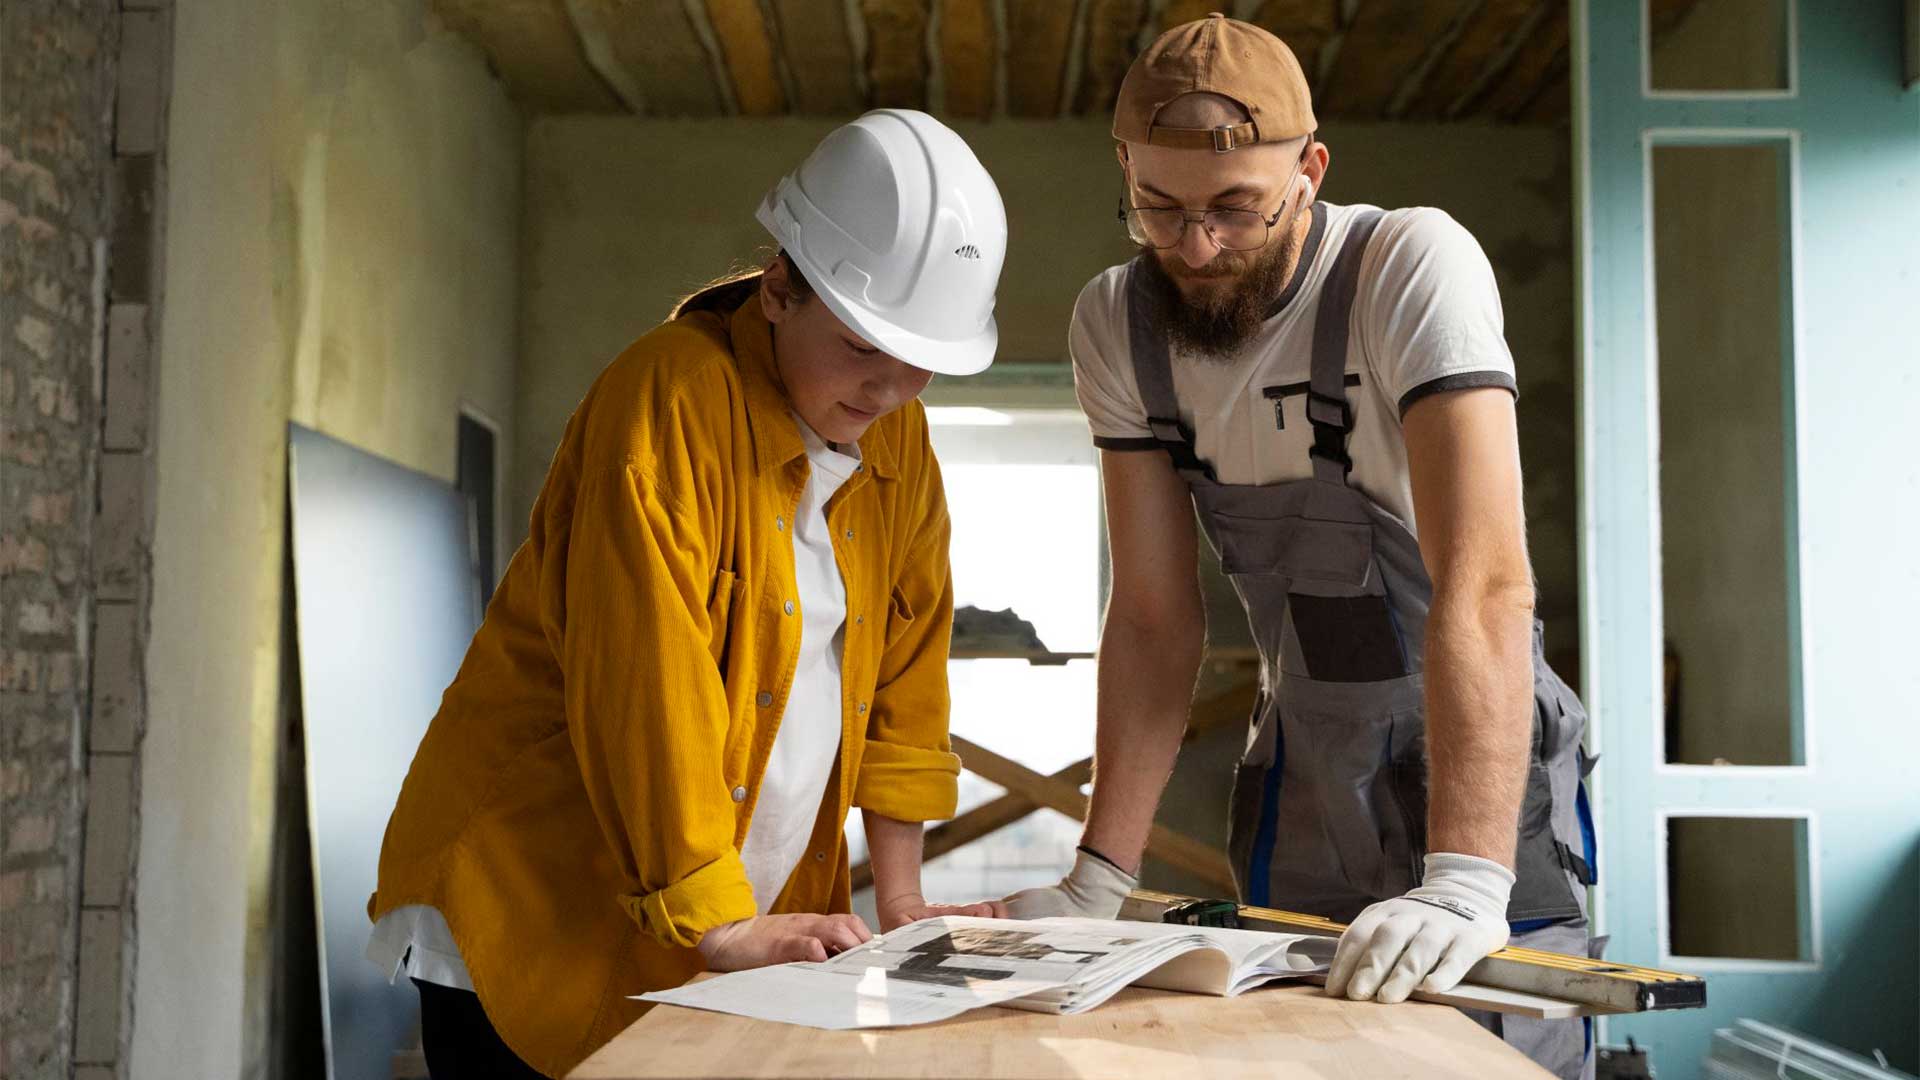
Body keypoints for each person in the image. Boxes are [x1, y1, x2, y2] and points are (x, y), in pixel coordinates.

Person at [1001, 15, 1598, 1079]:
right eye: (1160, 209)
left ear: (1309, 171)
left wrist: (1464, 877)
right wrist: (1097, 874)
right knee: (1296, 1050)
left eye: (1235, 208)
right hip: (1306, 763)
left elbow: (1487, 586)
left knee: (1493, 1053)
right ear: (1125, 172)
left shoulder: (1404, 265)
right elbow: (1150, 618)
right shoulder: (1117, 324)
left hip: (1473, 751)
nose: (1196, 248)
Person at [364, 109, 1010, 1078]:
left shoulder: (898, 448)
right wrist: (715, 924)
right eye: (863, 346)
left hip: (711, 917)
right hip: (531, 894)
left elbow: (909, 681)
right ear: (780, 287)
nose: (887, 387)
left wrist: (905, 902)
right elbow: (644, 685)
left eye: (920, 362)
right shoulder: (667, 400)